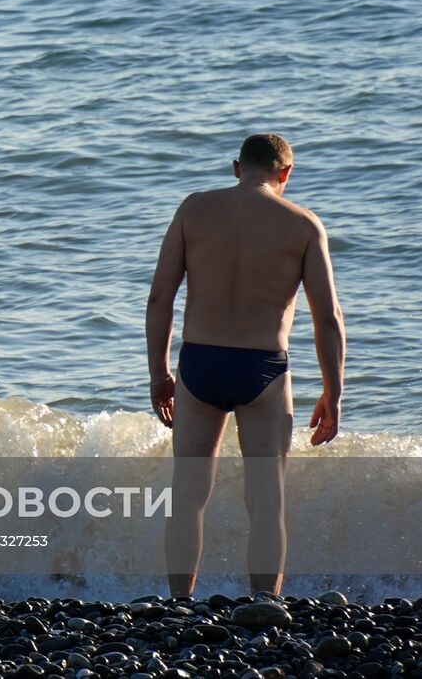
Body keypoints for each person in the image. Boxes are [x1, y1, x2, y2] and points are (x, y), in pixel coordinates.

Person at [146, 133, 345, 596]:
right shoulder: (303, 225)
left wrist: (159, 374)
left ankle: (179, 604)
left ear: (237, 168)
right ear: (286, 174)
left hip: (200, 362)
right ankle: (265, 607)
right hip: (264, 368)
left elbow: (160, 299)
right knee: (266, 500)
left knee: (188, 497)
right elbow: (328, 318)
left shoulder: (193, 209)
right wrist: (333, 393)